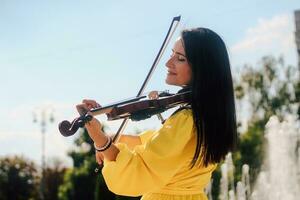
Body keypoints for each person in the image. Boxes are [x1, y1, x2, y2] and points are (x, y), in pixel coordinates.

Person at [76, 27, 237, 200]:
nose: (168, 63)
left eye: (180, 58)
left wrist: (99, 139)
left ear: (203, 68)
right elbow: (148, 142)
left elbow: (138, 171)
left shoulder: (186, 120)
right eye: (172, 54)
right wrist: (110, 137)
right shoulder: (206, 117)